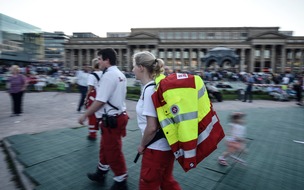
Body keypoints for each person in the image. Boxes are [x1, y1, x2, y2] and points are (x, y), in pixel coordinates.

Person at [78, 48, 129, 190]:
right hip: (117, 116)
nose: (98, 62)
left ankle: (121, 179)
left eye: (100, 59)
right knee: (105, 147)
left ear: (107, 60)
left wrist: (85, 115)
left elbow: (100, 101)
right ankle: (101, 171)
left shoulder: (108, 76)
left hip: (112, 118)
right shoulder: (120, 74)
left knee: (113, 150)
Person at [132, 51, 181, 190]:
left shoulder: (149, 90)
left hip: (155, 148)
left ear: (141, 67)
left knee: (148, 184)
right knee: (167, 182)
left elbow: (152, 127)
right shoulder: (157, 86)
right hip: (167, 145)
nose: (132, 70)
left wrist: (142, 145)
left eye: (134, 66)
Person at [84, 58, 103, 140]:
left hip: (93, 97)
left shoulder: (92, 75)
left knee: (91, 115)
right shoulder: (104, 73)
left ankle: (92, 134)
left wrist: (86, 98)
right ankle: (104, 132)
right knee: (101, 115)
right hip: (102, 96)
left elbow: (90, 88)